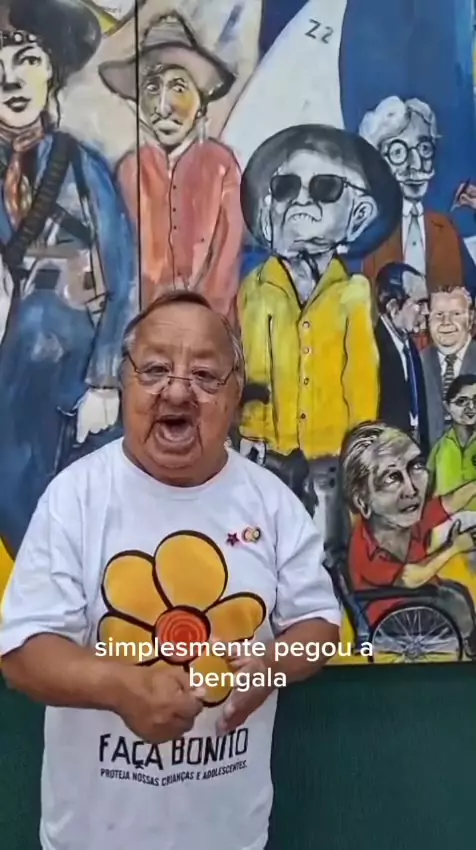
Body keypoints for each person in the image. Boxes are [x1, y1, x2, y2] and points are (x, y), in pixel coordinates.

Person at [0, 289, 341, 850]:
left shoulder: (272, 502)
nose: (178, 391)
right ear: (126, 381)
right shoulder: (74, 498)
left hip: (231, 836)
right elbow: (22, 654)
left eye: (205, 375)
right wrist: (123, 688)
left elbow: (320, 627)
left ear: (234, 393)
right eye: (156, 369)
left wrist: (270, 667)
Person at [0, 0, 136, 557]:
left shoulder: (80, 166)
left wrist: (105, 380)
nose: (11, 80)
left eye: (27, 60)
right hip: (9, 394)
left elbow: (124, 277)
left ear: (52, 70)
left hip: (74, 387)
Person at [237, 123, 401, 548]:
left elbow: (361, 377)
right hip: (273, 453)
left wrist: (364, 445)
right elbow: (256, 369)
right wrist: (251, 431)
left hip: (332, 453)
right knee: (267, 541)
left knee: (329, 544)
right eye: (286, 188)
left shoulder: (354, 293)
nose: (301, 203)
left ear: (358, 215)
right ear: (268, 208)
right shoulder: (257, 288)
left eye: (326, 188)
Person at [100, 12, 244, 320]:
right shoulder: (130, 170)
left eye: (178, 87)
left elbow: (226, 261)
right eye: (152, 88)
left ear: (201, 102)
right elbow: (118, 257)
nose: (163, 107)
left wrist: (203, 317)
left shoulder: (220, 165)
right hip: (141, 322)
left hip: (208, 322)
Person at [341, 421, 476, 656]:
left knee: (458, 594)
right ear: (363, 501)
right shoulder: (365, 548)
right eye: (392, 478)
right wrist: (454, 547)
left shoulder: (403, 520)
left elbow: (450, 503)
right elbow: (410, 578)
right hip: (402, 615)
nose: (412, 490)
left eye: (415, 467)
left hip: (426, 599)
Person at [359, 96, 475, 294]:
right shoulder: (367, 234)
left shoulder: (446, 228)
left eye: (424, 148)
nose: (416, 164)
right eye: (398, 152)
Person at [374, 261, 429, 455]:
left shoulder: (410, 348)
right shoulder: (372, 350)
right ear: (393, 308)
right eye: (419, 303)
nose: (427, 311)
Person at [421, 287, 476, 446]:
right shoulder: (417, 363)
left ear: (471, 318)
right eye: (439, 314)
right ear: (428, 319)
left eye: (456, 314)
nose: (446, 322)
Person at [428, 374, 476, 509]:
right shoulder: (440, 448)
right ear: (447, 407)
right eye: (462, 401)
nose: (471, 407)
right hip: (446, 519)